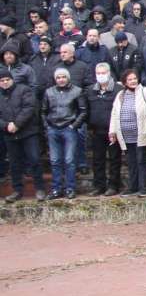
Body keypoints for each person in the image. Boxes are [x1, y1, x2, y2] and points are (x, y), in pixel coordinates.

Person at [108, 69, 146, 196]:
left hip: (141, 133)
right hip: (126, 135)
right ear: (124, 82)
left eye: (134, 78)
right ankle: (133, 186)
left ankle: (144, 187)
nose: (133, 81)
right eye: (129, 79)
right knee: (131, 162)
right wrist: (112, 131)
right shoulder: (120, 95)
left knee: (142, 160)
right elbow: (114, 113)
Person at [0, 69, 45, 202]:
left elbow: (29, 108)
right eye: (2, 81)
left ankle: (40, 189)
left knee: (35, 160)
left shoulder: (24, 90)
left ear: (12, 79)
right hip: (9, 134)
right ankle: (17, 191)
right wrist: (6, 125)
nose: (5, 82)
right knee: (14, 164)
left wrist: (17, 124)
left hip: (28, 132)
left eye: (7, 79)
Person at [42, 67, 87, 199]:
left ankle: (70, 188)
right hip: (53, 129)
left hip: (69, 128)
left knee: (69, 160)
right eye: (58, 77)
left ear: (68, 78)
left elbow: (83, 111)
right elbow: (43, 111)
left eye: (63, 77)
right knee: (55, 160)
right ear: (55, 79)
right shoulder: (49, 92)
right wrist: (47, 127)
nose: (61, 79)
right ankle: (56, 189)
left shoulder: (77, 91)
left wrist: (74, 126)